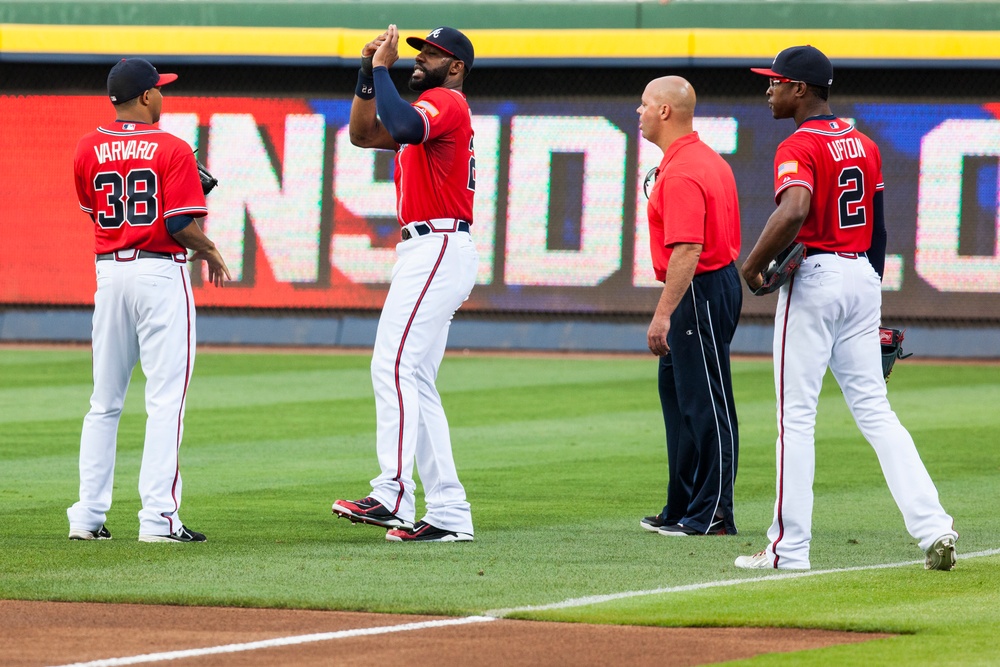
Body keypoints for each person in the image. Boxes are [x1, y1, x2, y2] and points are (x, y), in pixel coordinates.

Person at [736, 45, 957, 570]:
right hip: (862, 276)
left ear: (802, 90)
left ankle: (788, 550)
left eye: (777, 81)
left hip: (815, 279)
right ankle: (935, 529)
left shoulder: (798, 144)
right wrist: (871, 291)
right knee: (877, 413)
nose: (769, 88)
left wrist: (751, 265)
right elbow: (878, 227)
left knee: (796, 418)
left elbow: (794, 210)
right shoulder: (863, 142)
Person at [68, 58, 230, 543]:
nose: (162, 95)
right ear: (143, 97)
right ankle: (159, 519)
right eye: (158, 90)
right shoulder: (172, 147)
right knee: (165, 401)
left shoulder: (87, 146)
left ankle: (87, 517)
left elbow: (96, 210)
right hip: (160, 274)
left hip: (109, 277)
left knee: (103, 402)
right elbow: (180, 225)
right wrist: (212, 250)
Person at [331, 25, 479, 542]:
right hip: (428, 248)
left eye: (433, 54)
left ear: (455, 67)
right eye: (419, 52)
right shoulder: (427, 112)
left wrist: (380, 69)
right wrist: (366, 75)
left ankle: (393, 493)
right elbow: (364, 133)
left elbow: (404, 126)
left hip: (438, 244)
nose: (420, 60)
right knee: (414, 378)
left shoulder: (446, 103)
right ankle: (449, 514)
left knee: (391, 364)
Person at [636, 76, 742, 538]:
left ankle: (715, 512)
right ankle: (682, 505)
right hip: (707, 286)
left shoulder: (681, 170)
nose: (637, 112)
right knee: (679, 399)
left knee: (705, 403)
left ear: (664, 112)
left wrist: (663, 313)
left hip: (698, 288)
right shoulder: (702, 158)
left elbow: (687, 249)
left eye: (643, 105)